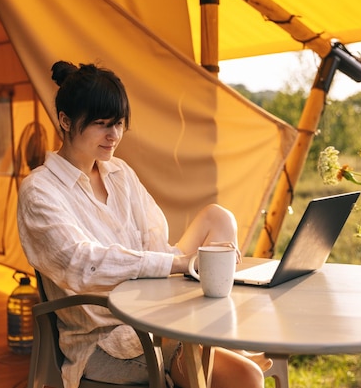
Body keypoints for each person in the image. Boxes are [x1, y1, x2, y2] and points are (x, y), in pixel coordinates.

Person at [17, 60, 266, 388]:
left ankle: (213, 339)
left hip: (154, 313)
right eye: (102, 124)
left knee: (218, 217)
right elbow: (82, 265)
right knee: (247, 377)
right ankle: (215, 347)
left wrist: (181, 269)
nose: (114, 135)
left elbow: (154, 246)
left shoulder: (119, 173)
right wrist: (180, 263)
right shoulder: (40, 190)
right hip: (107, 337)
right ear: (65, 120)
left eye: (119, 123)